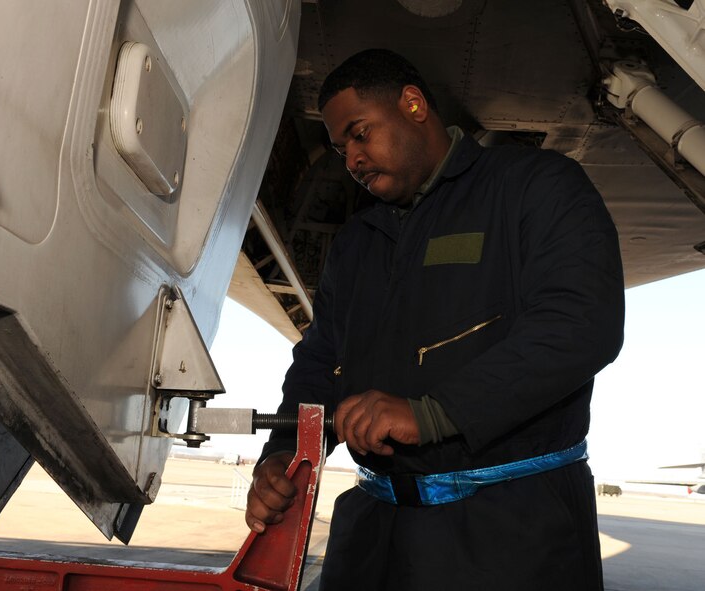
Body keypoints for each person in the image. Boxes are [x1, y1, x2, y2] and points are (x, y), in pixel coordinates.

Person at [245, 48, 624, 590]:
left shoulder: (535, 186)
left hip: (509, 537)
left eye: (359, 133)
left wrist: (434, 414)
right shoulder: (356, 243)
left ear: (414, 105)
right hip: (373, 537)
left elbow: (582, 324)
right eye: (339, 148)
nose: (351, 159)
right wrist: (285, 452)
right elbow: (321, 359)